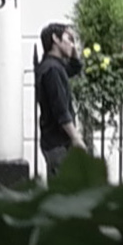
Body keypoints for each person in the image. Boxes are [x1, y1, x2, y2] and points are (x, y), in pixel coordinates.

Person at [31, 21, 83, 172]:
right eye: (69, 39)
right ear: (55, 39)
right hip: (58, 143)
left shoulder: (53, 65)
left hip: (54, 142)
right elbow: (61, 110)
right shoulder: (52, 70)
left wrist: (73, 50)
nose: (72, 44)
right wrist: (76, 138)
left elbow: (75, 68)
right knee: (64, 190)